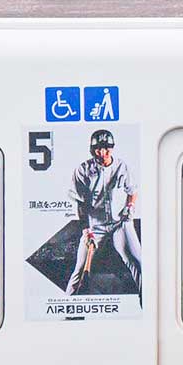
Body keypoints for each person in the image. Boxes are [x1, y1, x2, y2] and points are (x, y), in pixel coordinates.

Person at [66, 128, 142, 300]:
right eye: (98, 149)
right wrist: (87, 230)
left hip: (119, 223)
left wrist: (130, 205)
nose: (102, 152)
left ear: (112, 148)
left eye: (106, 148)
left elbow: (133, 190)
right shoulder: (83, 170)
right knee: (79, 269)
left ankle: (148, 304)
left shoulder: (122, 166)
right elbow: (80, 203)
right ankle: (68, 310)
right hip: (95, 225)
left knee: (138, 262)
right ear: (93, 150)